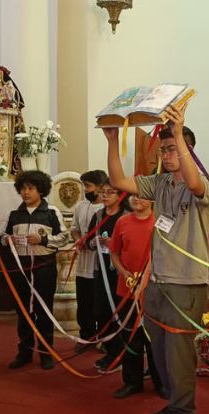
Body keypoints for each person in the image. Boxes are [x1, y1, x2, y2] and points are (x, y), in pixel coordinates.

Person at [104, 104, 209, 414]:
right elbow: (118, 182)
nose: (166, 155)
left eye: (172, 149)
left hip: (186, 283)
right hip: (158, 283)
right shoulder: (161, 183)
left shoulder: (203, 184)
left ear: (187, 151)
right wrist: (111, 141)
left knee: (181, 356)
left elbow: (194, 182)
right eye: (164, 149)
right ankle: (172, 404)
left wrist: (179, 132)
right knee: (162, 353)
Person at [1, 170, 68, 371]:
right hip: (20, 269)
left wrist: (43, 240)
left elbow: (64, 238)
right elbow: (3, 237)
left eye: (30, 188)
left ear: (41, 190)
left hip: (44, 268)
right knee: (23, 311)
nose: (26, 193)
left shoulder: (51, 212)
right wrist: (8, 240)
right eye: (23, 188)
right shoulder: (14, 213)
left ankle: (46, 352)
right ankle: (25, 351)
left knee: (44, 310)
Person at [108, 195, 166, 399]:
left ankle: (161, 381)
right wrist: (124, 273)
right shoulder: (122, 222)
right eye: (134, 195)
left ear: (153, 199)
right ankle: (132, 381)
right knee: (130, 339)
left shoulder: (162, 222)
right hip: (127, 291)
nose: (137, 199)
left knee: (155, 339)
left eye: (143, 196)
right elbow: (114, 253)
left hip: (154, 291)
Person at [88, 178, 132, 374]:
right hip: (102, 271)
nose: (104, 196)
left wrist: (114, 245)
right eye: (102, 192)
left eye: (109, 192)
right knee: (101, 313)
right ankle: (114, 351)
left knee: (121, 314)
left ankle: (124, 354)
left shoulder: (128, 216)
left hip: (122, 273)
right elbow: (88, 241)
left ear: (121, 195)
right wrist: (95, 242)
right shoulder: (98, 216)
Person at [70, 169, 107, 351]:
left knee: (100, 305)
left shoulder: (106, 208)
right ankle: (86, 337)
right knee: (84, 304)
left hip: (100, 265)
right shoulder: (80, 206)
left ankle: (106, 339)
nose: (85, 190)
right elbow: (75, 229)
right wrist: (78, 240)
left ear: (100, 188)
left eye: (88, 186)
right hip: (83, 264)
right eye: (84, 185)